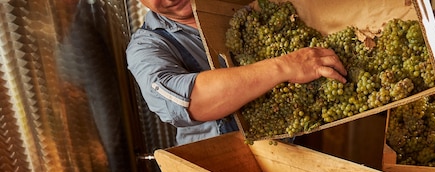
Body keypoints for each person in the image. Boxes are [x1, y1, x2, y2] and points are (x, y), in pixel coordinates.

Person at [127, 0, 348, 145]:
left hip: (305, 138)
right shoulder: (147, 46)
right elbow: (189, 101)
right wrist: (285, 66)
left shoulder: (239, 6)